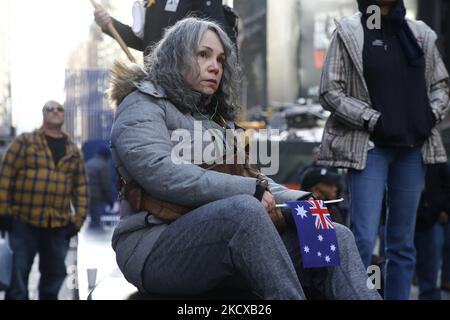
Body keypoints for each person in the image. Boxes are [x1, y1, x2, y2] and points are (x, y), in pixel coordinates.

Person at [108, 17, 381, 300]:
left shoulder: (213, 119)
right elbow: (160, 173)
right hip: (153, 249)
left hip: (218, 247)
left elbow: (251, 179)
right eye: (203, 55)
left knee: (330, 231)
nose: (215, 66)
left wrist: (300, 199)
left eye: (221, 59)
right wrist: (250, 191)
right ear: (176, 56)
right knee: (244, 210)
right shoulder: (141, 104)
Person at [317, 0, 450, 300]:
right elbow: (329, 90)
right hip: (371, 147)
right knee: (362, 239)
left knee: (402, 244)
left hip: (412, 149)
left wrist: (430, 115)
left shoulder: (419, 34)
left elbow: (441, 85)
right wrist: (372, 119)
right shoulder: (350, 31)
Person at [0, 101, 88, 300]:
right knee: (17, 279)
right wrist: (3, 211)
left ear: (63, 116)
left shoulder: (73, 150)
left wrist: (78, 220)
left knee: (54, 277)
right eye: (50, 109)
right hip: (23, 222)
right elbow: (6, 175)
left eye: (59, 109)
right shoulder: (24, 142)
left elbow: (81, 188)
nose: (55, 111)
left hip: (58, 225)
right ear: (43, 115)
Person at [94, 0, 239, 57]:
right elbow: (148, 42)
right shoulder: (154, 2)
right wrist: (109, 23)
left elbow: (219, 40)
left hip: (189, 92)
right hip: (156, 86)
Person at [414, 163, 450, 300]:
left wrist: (445, 209)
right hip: (406, 217)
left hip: (431, 217)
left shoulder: (438, 162)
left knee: (431, 265)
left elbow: (447, 186)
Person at [85, 143, 114, 229]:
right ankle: (94, 237)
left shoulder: (88, 163)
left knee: (91, 218)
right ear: (106, 156)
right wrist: (110, 200)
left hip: (86, 195)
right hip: (96, 197)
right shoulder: (103, 166)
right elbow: (106, 185)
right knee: (96, 221)